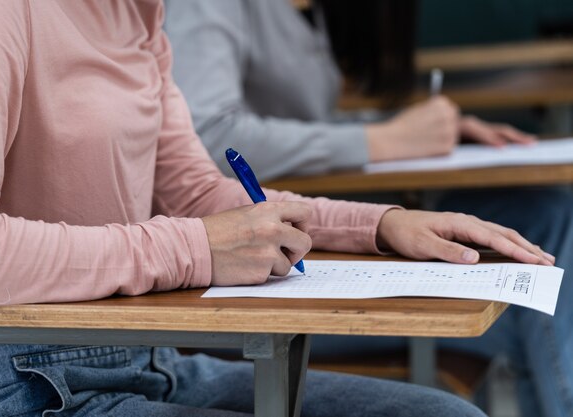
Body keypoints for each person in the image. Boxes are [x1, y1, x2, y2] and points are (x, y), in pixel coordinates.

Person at [0, 1, 557, 417]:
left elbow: (192, 190)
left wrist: (377, 225)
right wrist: (195, 248)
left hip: (141, 356)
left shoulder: (138, 13)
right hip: (4, 381)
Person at [163, 1, 573, 416]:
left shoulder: (311, 11)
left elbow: (307, 120)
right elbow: (209, 138)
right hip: (251, 272)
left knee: (544, 224)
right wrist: (381, 140)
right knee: (532, 314)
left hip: (308, 236)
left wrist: (406, 130)